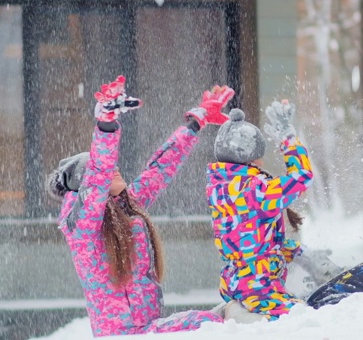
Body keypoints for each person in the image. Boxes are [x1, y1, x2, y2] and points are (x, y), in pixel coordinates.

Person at [46, 75, 233, 336]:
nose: (115, 170)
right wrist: (106, 124)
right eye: (107, 171)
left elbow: (160, 169)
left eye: (114, 166)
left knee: (223, 317)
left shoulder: (124, 206)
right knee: (213, 323)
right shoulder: (82, 226)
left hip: (148, 326)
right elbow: (99, 172)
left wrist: (196, 121)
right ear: (88, 188)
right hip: (124, 334)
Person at [206, 99, 315, 321]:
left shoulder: (219, 188)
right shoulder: (256, 191)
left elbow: (252, 237)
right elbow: (302, 176)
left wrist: (299, 254)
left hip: (237, 281)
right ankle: (238, 316)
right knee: (301, 319)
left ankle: (236, 311)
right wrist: (287, 138)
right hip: (260, 286)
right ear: (252, 157)